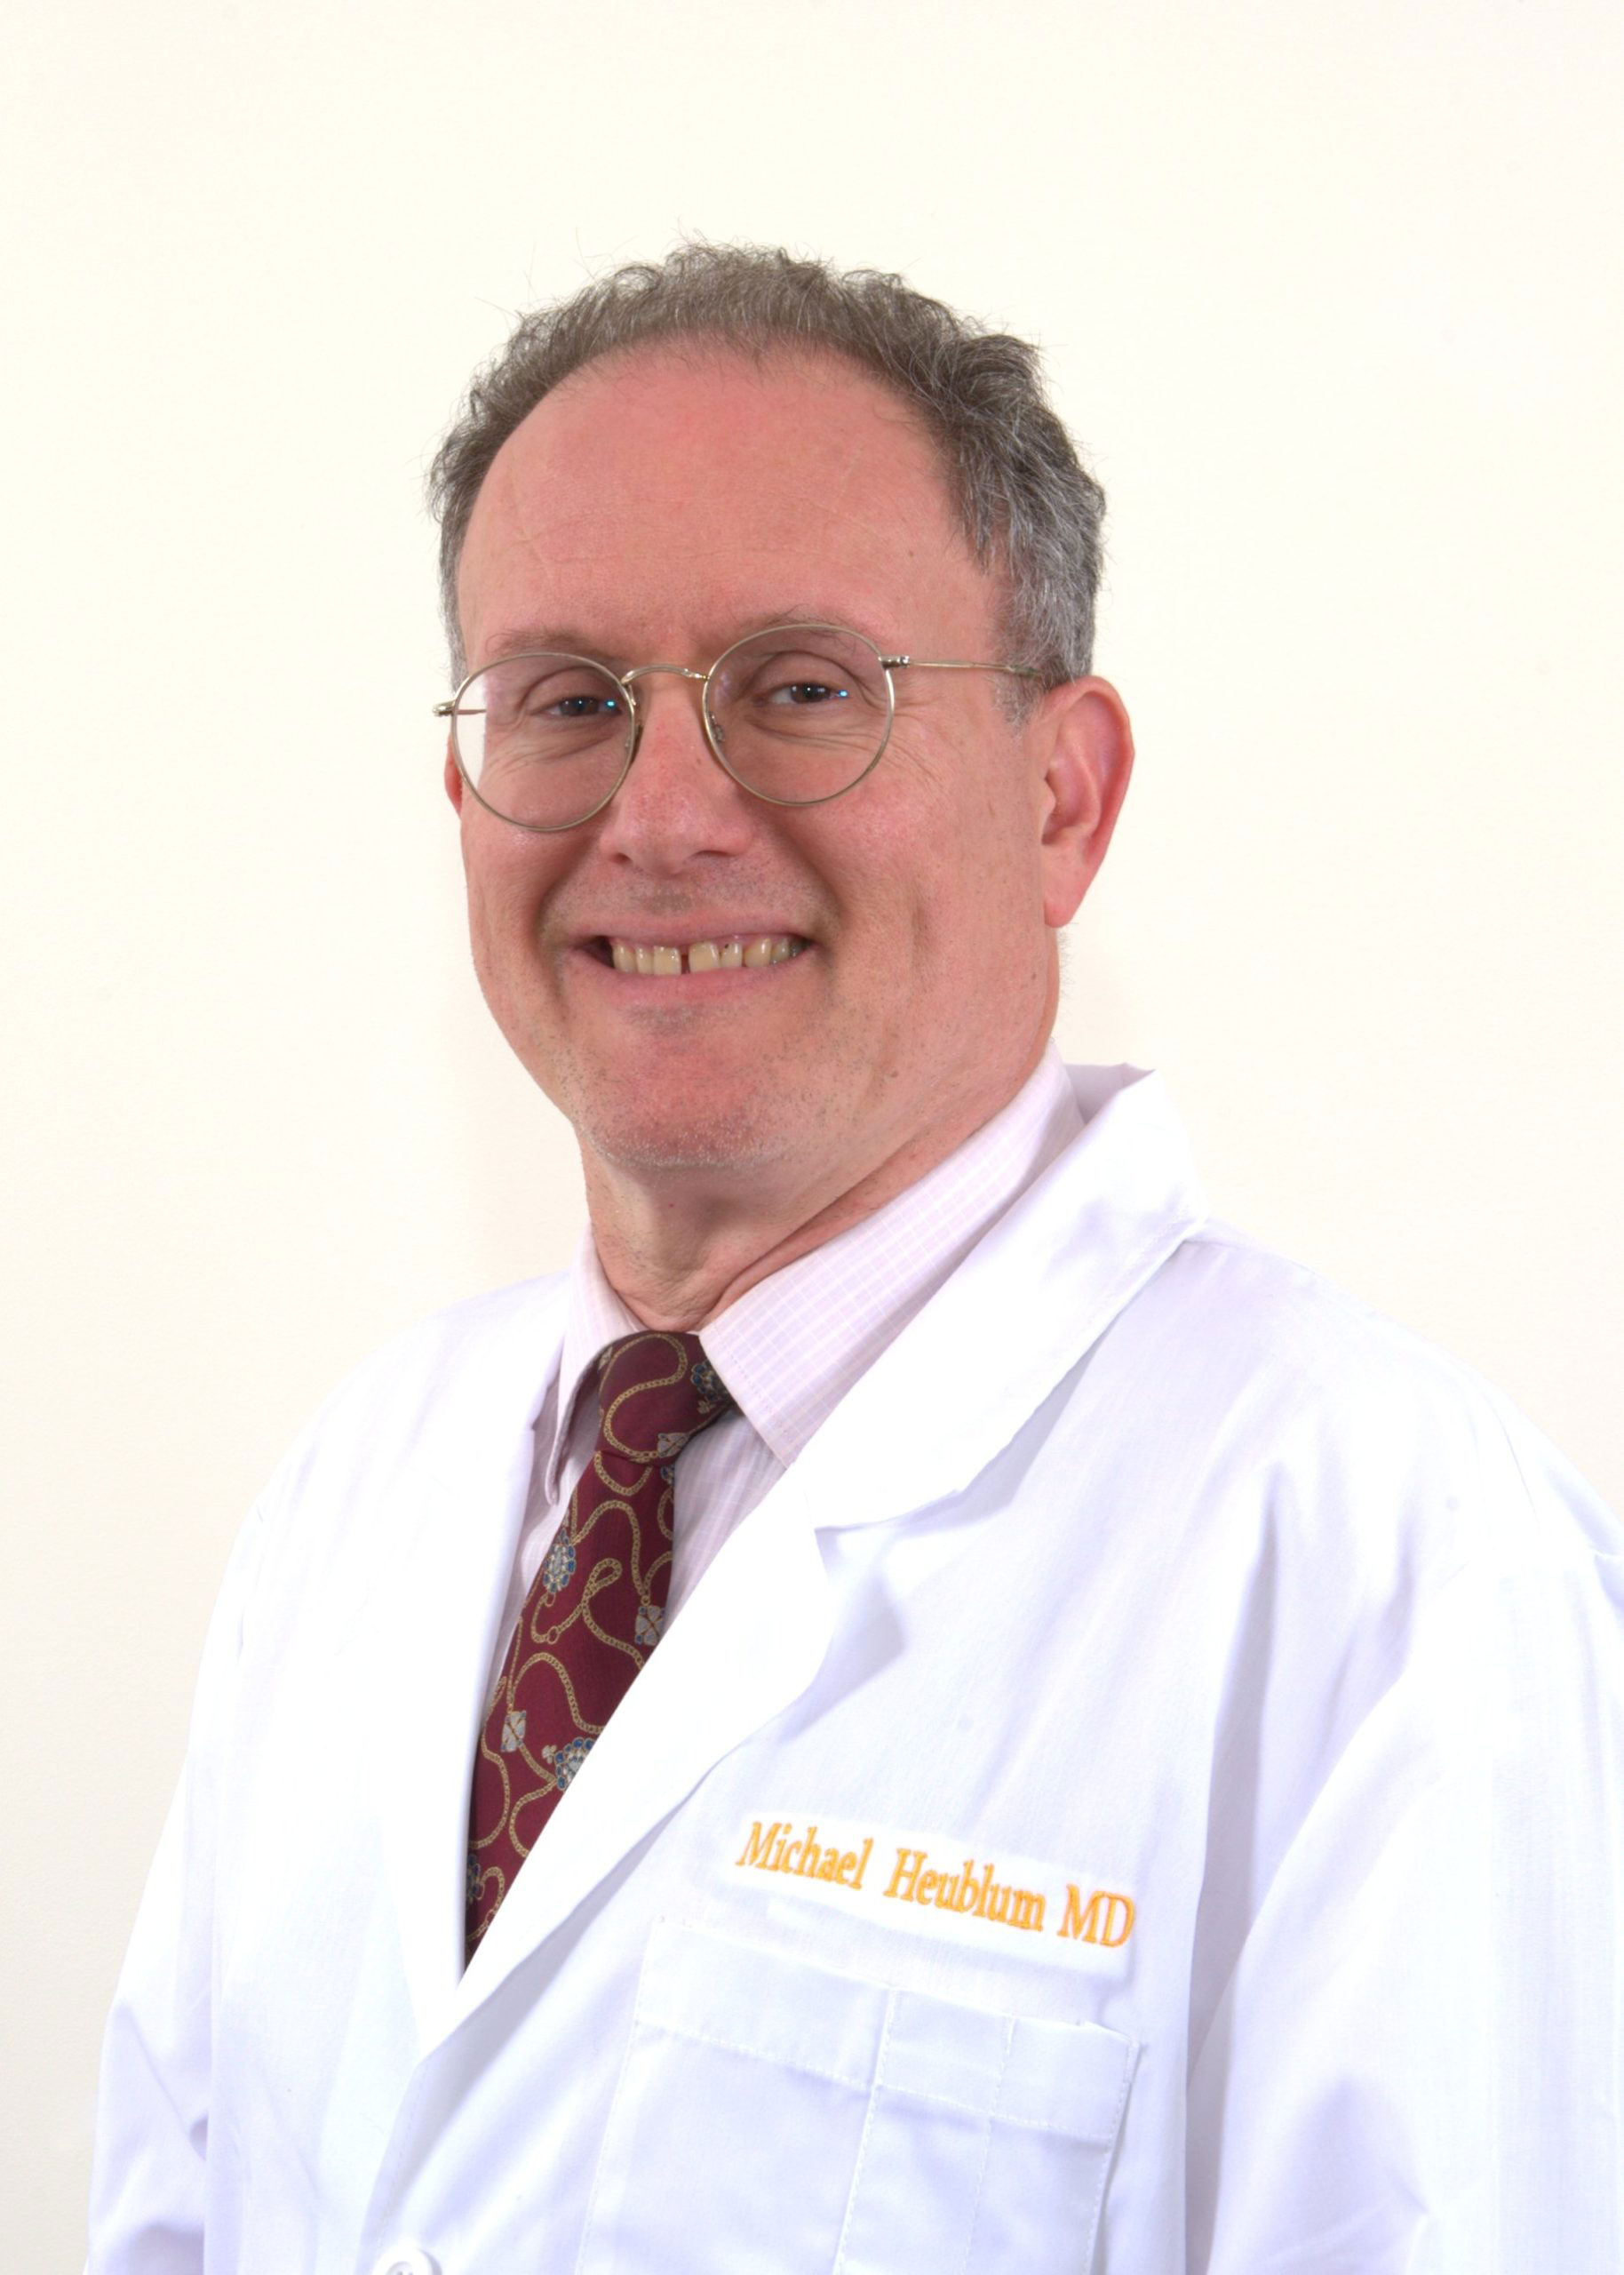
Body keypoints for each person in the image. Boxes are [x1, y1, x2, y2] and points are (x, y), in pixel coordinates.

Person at [88, 244, 1622, 2274]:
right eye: (566, 700)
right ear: (464, 782)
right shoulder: (352, 1494)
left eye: (798, 690)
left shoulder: (1378, 1555)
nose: (660, 814)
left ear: (1060, 796)